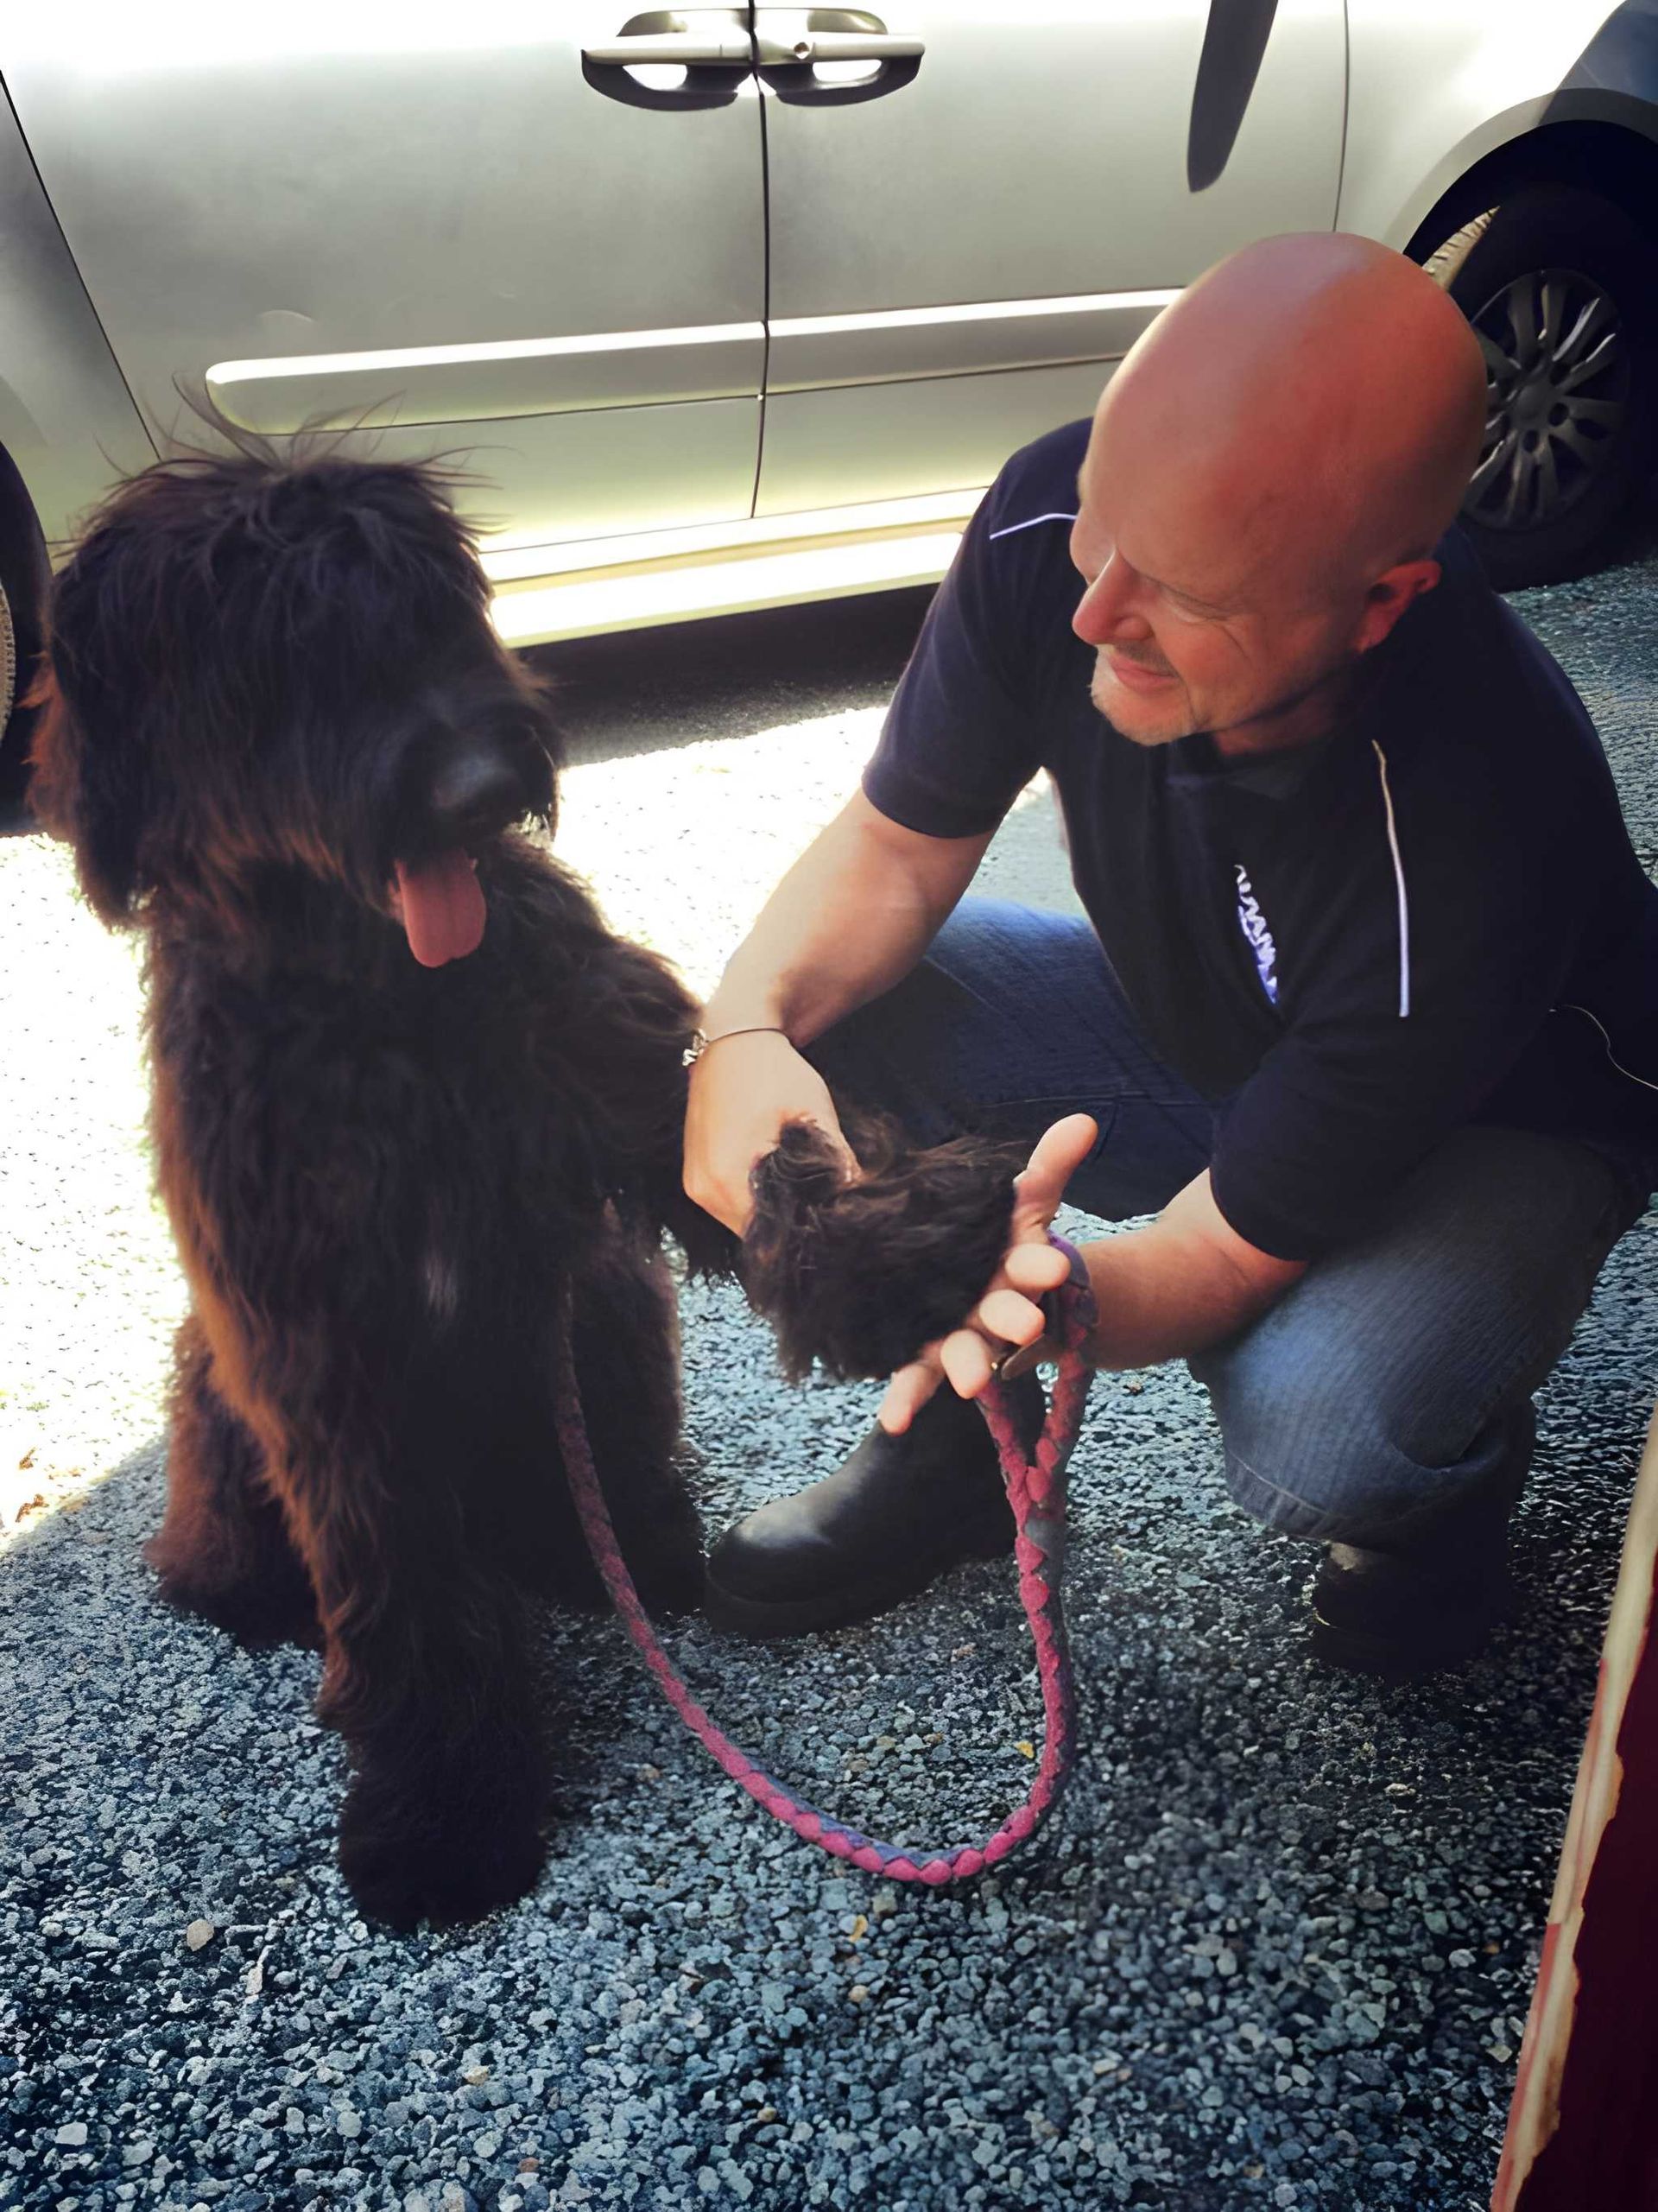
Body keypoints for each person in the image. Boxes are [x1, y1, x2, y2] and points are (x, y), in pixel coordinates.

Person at [682, 232, 1658, 1679]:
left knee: (1316, 1423)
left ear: (1378, 603)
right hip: (1227, 1030)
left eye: (1184, 592)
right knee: (831, 1034)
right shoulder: (1056, 524)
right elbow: (893, 853)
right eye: (1105, 525)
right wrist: (742, 1031)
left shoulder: (1461, 832)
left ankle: (1446, 1479)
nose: (1093, 612)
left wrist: (1024, 1291)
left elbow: (1211, 1252)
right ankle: (963, 1464)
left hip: (1492, 1119)